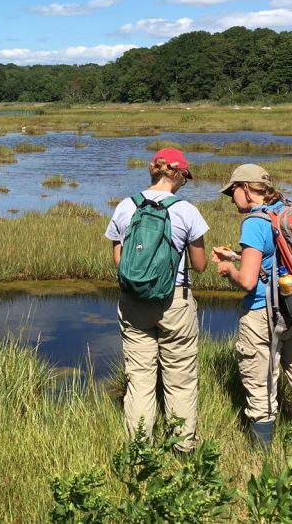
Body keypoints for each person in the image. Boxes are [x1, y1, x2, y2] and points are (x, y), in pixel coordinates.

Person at [212, 164, 292, 448]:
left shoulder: (254, 222)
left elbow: (249, 282)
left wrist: (229, 269)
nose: (231, 198)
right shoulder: (288, 211)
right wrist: (239, 255)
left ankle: (259, 462)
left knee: (262, 390)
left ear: (246, 188)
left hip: (263, 315)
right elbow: (278, 260)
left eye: (232, 191)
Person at [105, 147, 209, 452]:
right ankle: (182, 448)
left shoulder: (125, 206)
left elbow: (118, 259)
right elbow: (200, 267)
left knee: (139, 379)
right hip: (175, 301)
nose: (184, 183)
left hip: (133, 301)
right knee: (180, 379)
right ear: (176, 174)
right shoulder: (186, 211)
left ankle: (140, 448)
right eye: (185, 178)